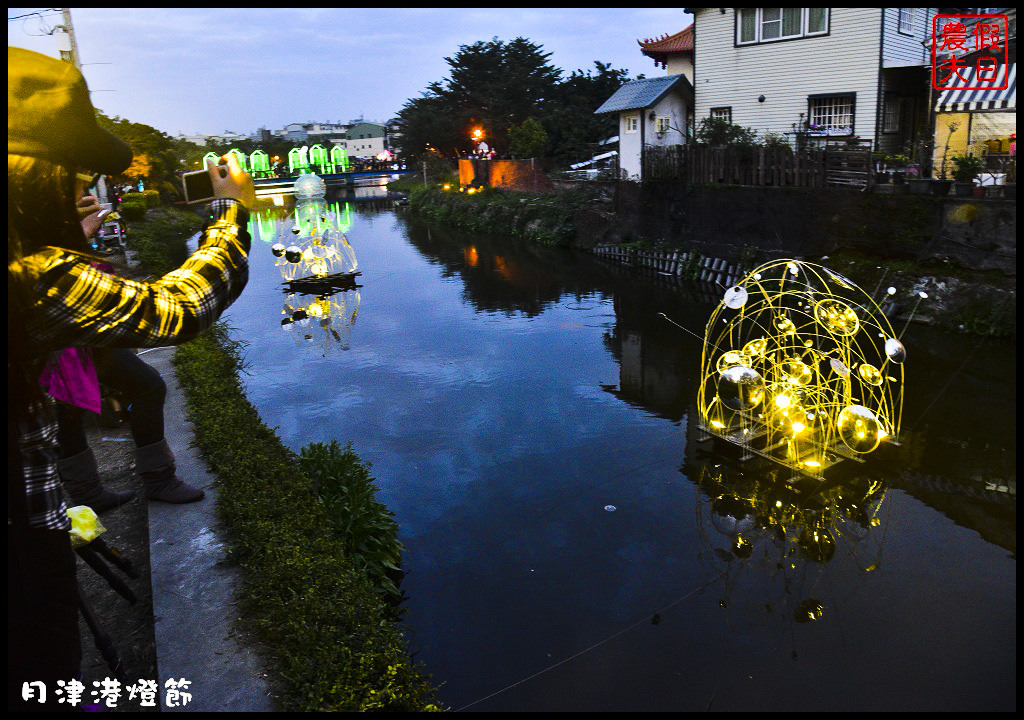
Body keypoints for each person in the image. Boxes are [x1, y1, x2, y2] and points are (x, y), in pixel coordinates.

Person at [8, 47, 254, 709]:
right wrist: (232, 215)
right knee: (44, 654)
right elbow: (177, 309)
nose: (76, 189)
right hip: (20, 540)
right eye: (68, 177)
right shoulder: (28, 275)